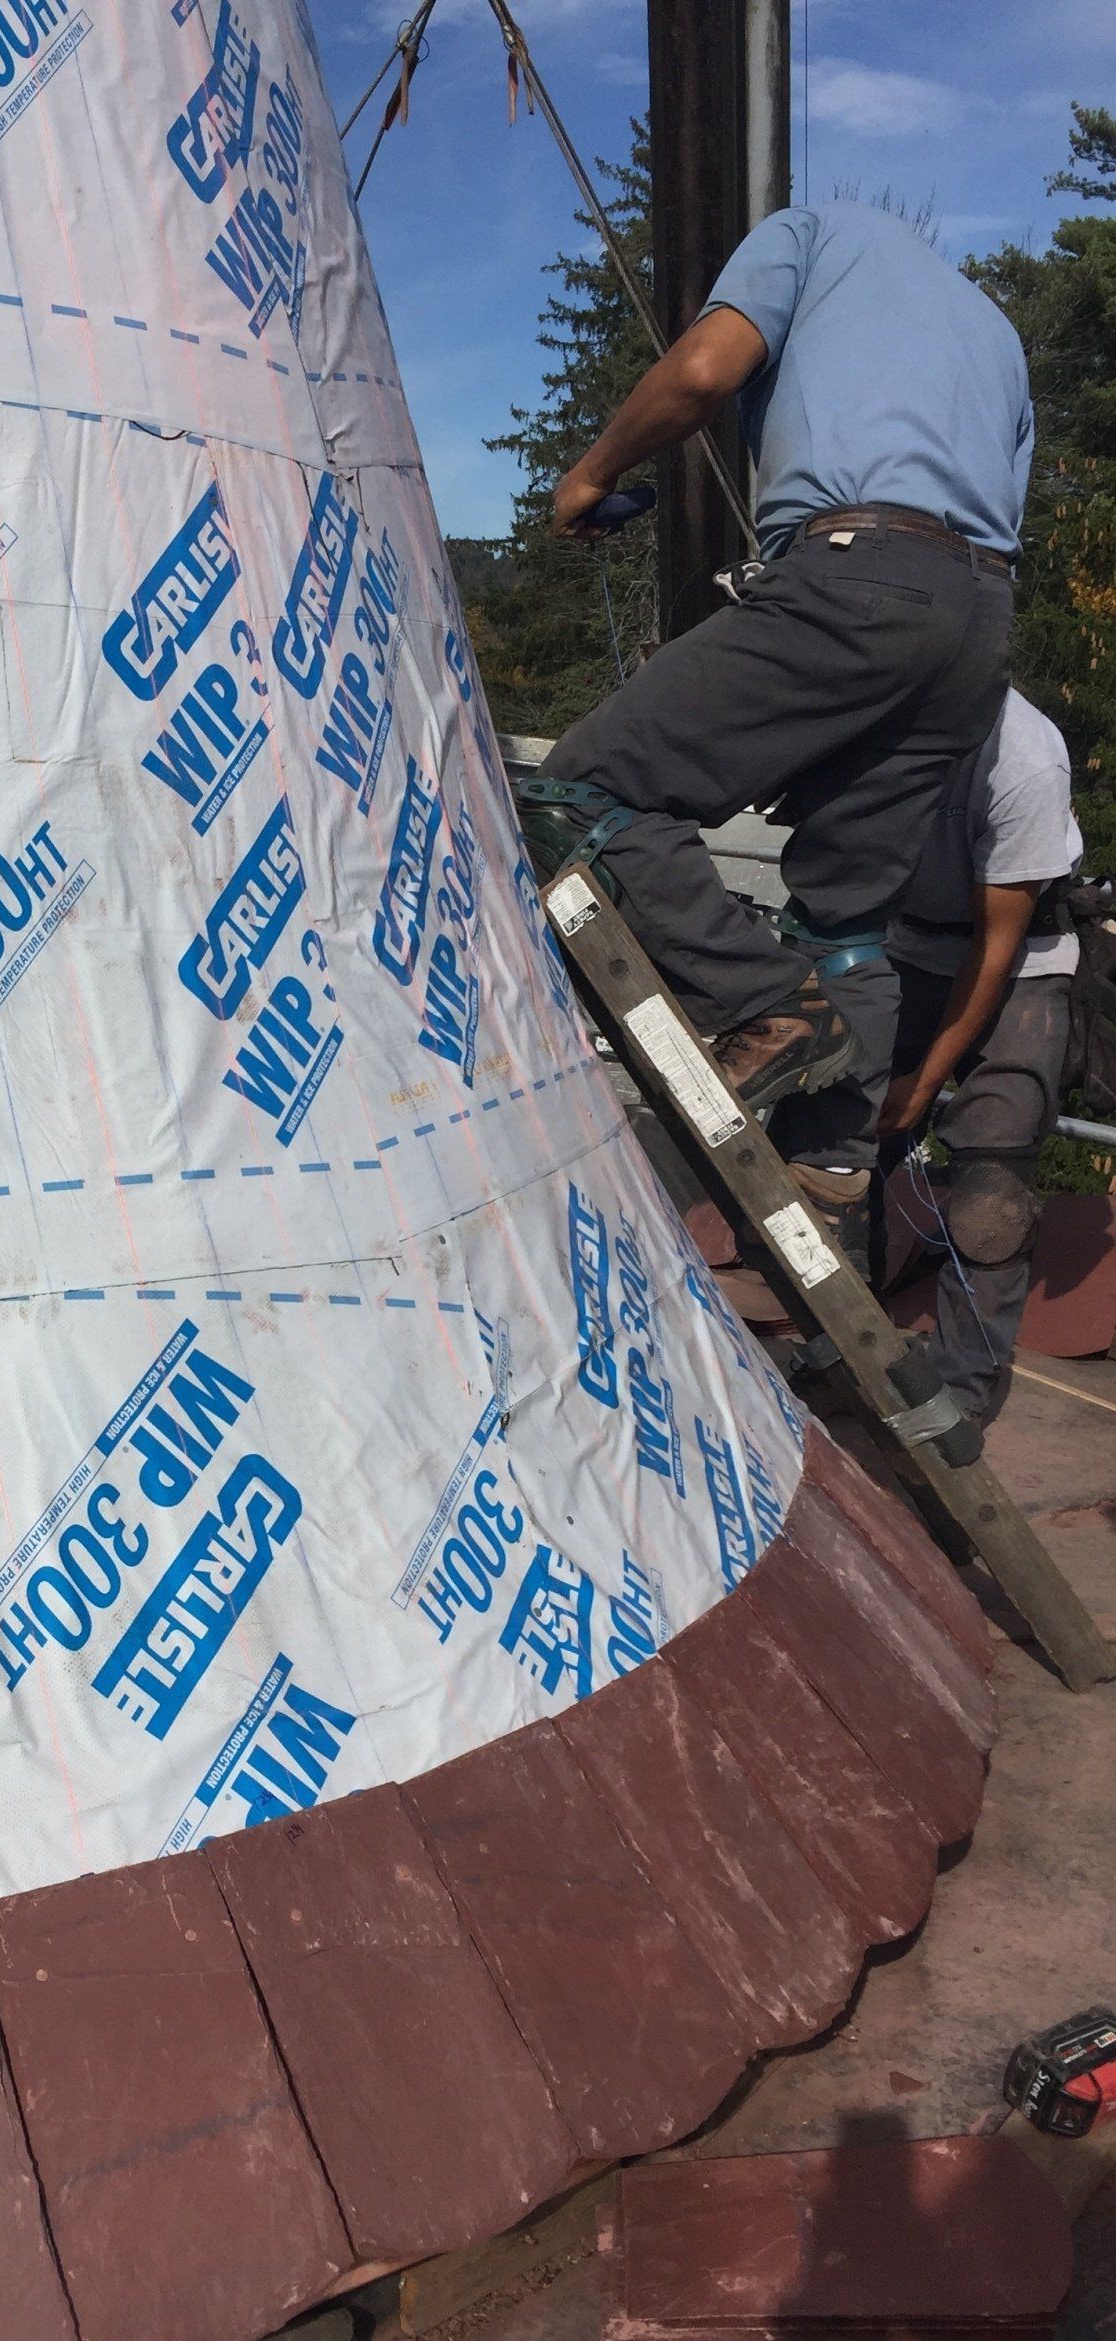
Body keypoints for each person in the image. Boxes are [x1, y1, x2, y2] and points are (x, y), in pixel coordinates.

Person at [518, 199, 1033, 1124]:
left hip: (859, 576)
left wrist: (589, 475)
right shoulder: (993, 330)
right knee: (844, 925)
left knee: (583, 793)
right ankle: (837, 1163)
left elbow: (706, 371)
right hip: (979, 616)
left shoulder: (807, 232)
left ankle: (762, 1006)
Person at [876, 690, 1080, 1427]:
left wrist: (924, 1082)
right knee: (847, 1147)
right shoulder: (864, 709)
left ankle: (961, 1395)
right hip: (905, 941)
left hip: (1020, 959)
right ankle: (847, 1335)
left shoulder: (1023, 756)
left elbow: (996, 950)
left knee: (990, 1194)